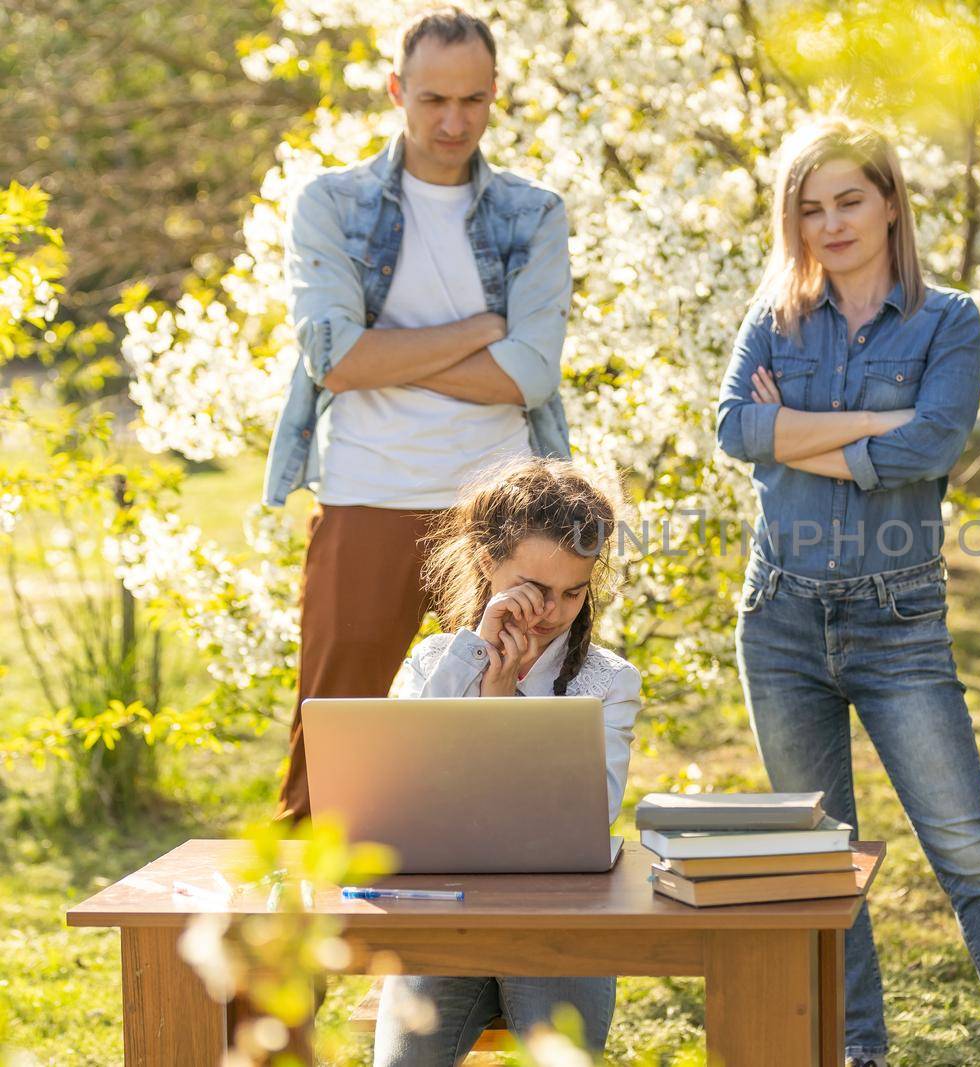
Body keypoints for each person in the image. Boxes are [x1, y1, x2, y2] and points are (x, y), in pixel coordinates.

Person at [715, 117, 980, 1067]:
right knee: (821, 865)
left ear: (889, 203)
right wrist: (873, 425)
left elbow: (934, 444)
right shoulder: (775, 315)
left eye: (849, 200)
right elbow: (732, 430)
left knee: (970, 854)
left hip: (899, 623)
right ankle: (858, 1052)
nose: (830, 223)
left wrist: (794, 427)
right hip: (780, 620)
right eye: (810, 206)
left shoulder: (947, 319)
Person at [264, 6, 574, 822]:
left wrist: (392, 353)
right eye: (434, 99)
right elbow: (337, 359)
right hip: (367, 491)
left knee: (504, 743)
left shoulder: (532, 214)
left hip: (499, 511)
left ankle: (493, 941)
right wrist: (477, 334)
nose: (453, 120)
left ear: (495, 94)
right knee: (334, 745)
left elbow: (532, 376)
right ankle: (313, 940)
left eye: (473, 100)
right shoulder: (332, 205)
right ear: (397, 90)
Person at [372, 456, 640, 1063]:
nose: (552, 612)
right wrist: (478, 669)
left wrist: (502, 705)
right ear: (489, 563)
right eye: (536, 589)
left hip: (559, 922)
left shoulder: (608, 681)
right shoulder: (434, 664)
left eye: (574, 592)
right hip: (443, 917)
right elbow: (403, 786)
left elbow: (588, 816)